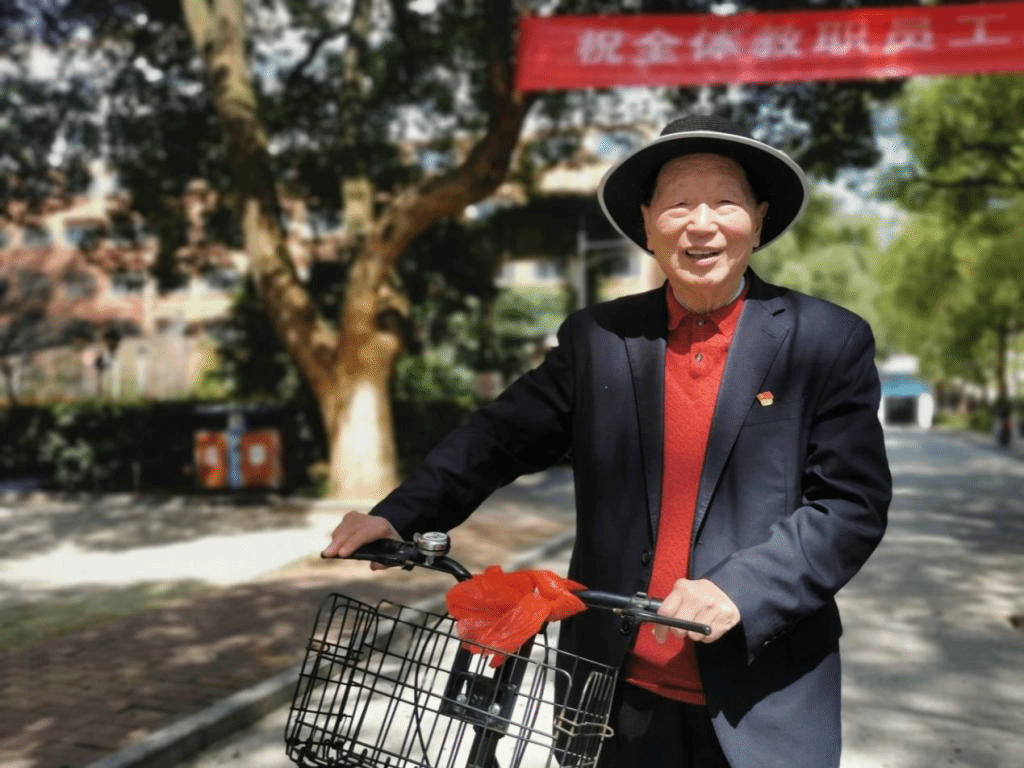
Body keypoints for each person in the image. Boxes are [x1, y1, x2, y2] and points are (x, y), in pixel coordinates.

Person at [322, 113, 892, 768]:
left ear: (759, 221)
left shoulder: (827, 340)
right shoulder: (599, 339)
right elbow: (499, 435)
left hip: (764, 700)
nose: (701, 224)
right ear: (647, 223)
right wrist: (400, 514)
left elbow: (849, 505)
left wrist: (742, 588)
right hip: (612, 693)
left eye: (725, 202)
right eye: (678, 204)